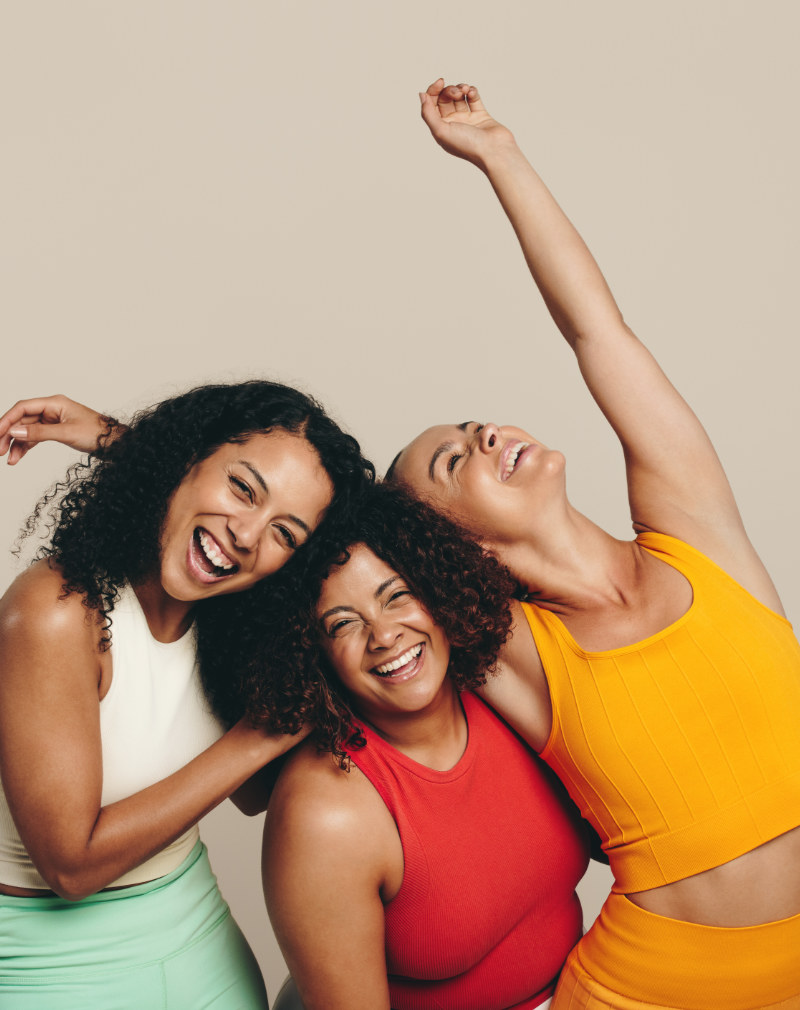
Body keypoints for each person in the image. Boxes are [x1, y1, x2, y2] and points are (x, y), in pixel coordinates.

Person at [384, 81, 800, 1009]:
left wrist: (499, 153)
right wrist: (134, 448)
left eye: (470, 425)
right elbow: (310, 547)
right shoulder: (505, 645)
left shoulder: (697, 535)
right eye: (454, 463)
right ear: (456, 547)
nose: (485, 434)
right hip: (659, 985)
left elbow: (595, 329)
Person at [0, 380, 373, 1009]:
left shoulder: (228, 620)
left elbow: (255, 800)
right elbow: (70, 866)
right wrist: (257, 739)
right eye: (243, 488)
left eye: (286, 534)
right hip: (45, 961)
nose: (249, 535)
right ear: (182, 462)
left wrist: (120, 441)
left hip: (198, 933)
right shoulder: (57, 612)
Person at [253, 484, 589, 1010]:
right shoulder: (326, 811)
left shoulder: (507, 694)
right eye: (343, 624)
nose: (384, 635)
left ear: (437, 590)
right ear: (311, 654)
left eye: (396, 596)